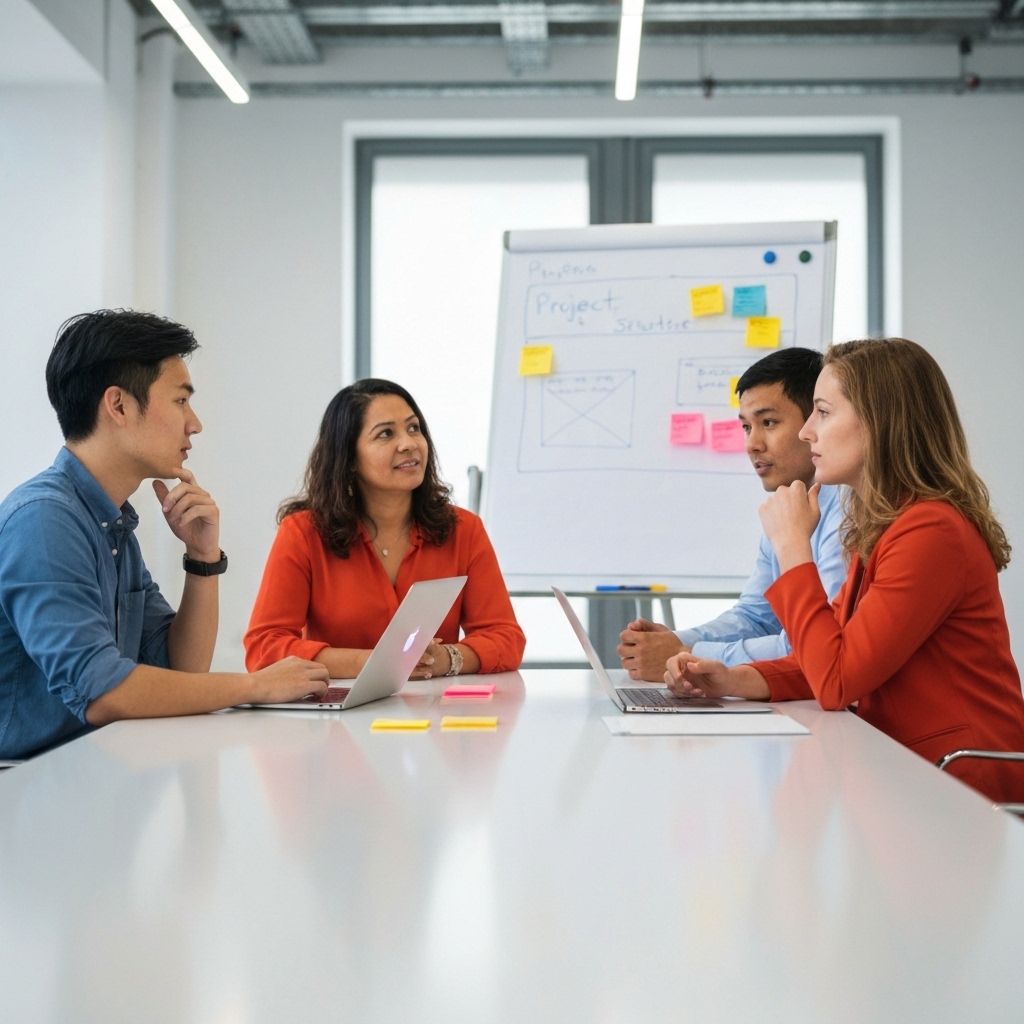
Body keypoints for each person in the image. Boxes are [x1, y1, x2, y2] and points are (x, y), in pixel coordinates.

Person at [665, 338, 1024, 803]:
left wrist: (794, 548)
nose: (808, 431)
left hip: (960, 783)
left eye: (823, 413)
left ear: (879, 423)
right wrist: (736, 680)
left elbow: (835, 681)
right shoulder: (885, 522)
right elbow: (830, 650)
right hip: (906, 770)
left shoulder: (931, 530)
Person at [0, 311, 330, 760]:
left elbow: (182, 667)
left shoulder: (112, 524)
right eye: (180, 401)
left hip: (94, 773)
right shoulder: (44, 521)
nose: (194, 423)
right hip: (30, 786)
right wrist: (256, 685)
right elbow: (102, 692)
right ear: (117, 405)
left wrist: (202, 559)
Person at [244, 379, 525, 679]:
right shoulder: (302, 533)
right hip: (336, 718)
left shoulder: (464, 529)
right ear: (349, 458)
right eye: (386, 434)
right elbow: (264, 648)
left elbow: (506, 638)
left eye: (414, 428)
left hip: (435, 716)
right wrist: (381, 664)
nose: (409, 443)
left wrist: (446, 659)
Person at [617, 348, 847, 682]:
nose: (752, 444)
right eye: (745, 427)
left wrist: (687, 655)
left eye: (768, 423)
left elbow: (813, 644)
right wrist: (678, 641)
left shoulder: (847, 509)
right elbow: (757, 617)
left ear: (815, 421)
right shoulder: (788, 504)